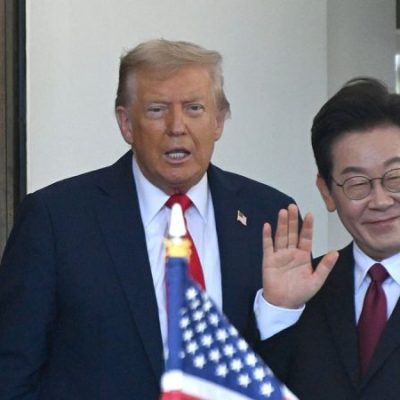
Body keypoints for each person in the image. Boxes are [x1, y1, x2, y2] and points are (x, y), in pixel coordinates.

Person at [0, 39, 297, 399]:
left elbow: (293, 368)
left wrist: (280, 311)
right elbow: (12, 373)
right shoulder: (56, 219)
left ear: (218, 121)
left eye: (194, 108)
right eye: (157, 110)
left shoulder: (270, 216)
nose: (177, 126)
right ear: (126, 123)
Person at [259, 77, 400, 400]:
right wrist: (279, 311)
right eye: (357, 183)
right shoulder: (302, 292)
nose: (380, 201)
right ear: (327, 192)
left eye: (395, 177)